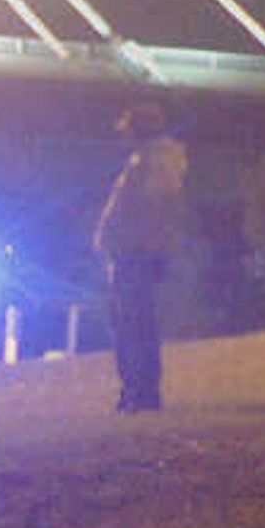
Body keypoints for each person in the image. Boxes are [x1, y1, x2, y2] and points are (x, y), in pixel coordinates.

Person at [92, 104, 187, 414]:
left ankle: (140, 391)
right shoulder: (152, 160)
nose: (125, 136)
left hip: (135, 254)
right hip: (133, 251)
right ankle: (137, 390)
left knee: (133, 324)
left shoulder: (154, 162)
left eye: (129, 129)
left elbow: (154, 208)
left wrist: (145, 245)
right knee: (133, 323)